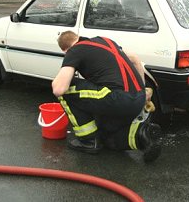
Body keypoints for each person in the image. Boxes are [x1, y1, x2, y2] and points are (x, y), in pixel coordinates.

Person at [52, 31, 162, 163]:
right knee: (107, 137)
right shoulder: (105, 41)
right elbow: (135, 59)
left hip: (118, 98)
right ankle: (142, 135)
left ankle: (88, 141)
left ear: (66, 50)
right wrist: (142, 91)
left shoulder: (74, 51)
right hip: (137, 99)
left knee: (67, 90)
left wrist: (59, 76)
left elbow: (59, 89)